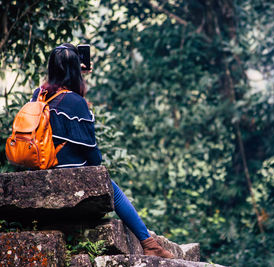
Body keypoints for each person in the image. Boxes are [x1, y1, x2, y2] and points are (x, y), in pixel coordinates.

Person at [30, 43, 174, 259]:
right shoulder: (75, 101)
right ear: (75, 70)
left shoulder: (38, 95)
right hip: (69, 171)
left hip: (40, 166)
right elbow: (93, 156)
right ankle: (148, 242)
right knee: (110, 186)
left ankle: (149, 242)